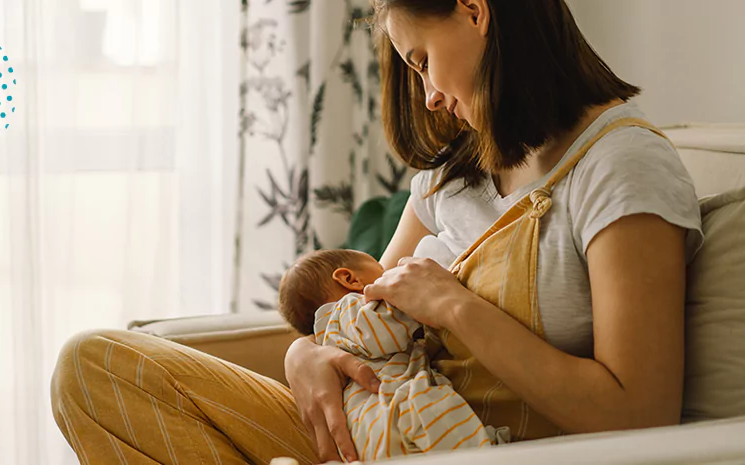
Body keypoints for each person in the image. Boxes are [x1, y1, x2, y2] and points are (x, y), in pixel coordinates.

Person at [50, 0, 703, 463]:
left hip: (477, 447)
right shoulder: (455, 172)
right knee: (94, 366)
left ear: (475, 11)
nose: (427, 97)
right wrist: (304, 355)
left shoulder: (619, 165)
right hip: (377, 432)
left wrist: (455, 306)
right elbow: (361, 314)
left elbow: (639, 411)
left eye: (421, 61)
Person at [277, 249, 507, 461]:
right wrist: (419, 295)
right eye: (381, 268)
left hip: (371, 429)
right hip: (398, 405)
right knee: (451, 432)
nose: (390, 274)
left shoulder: (332, 336)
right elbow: (384, 331)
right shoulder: (347, 311)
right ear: (349, 279)